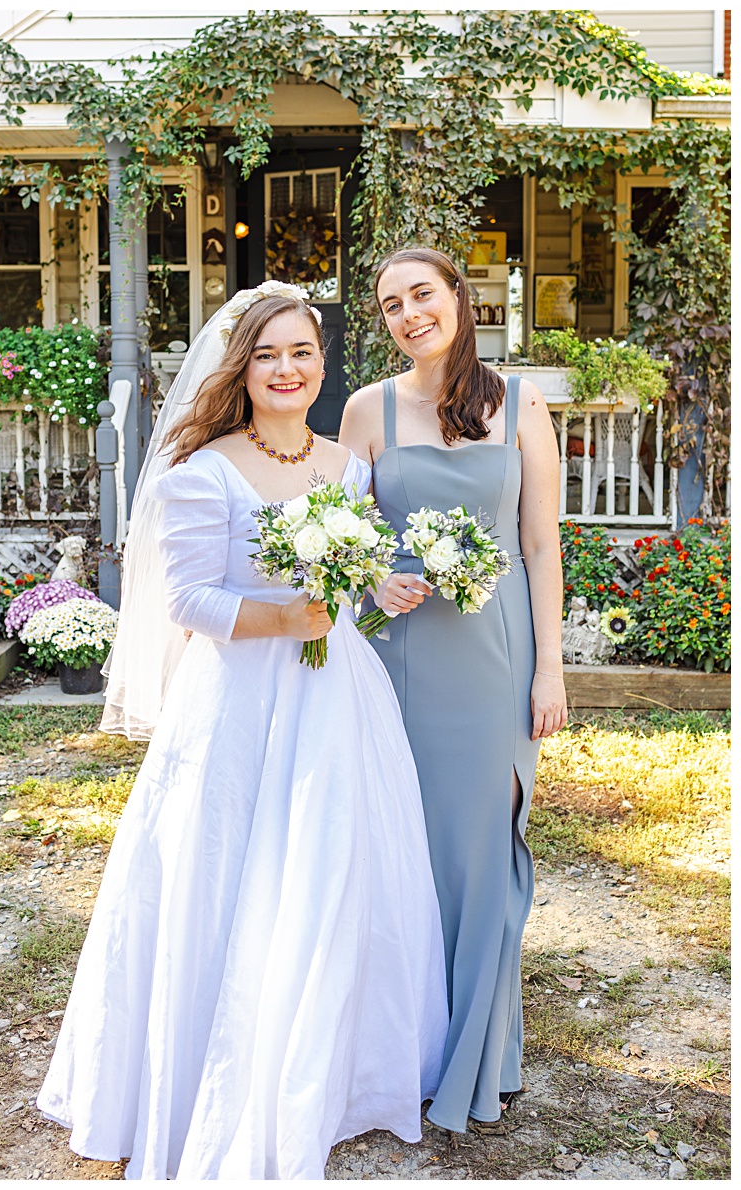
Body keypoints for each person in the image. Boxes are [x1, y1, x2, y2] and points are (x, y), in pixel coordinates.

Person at [41, 282, 447, 1179]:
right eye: (269, 355)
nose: (288, 369)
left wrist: (378, 589)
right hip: (235, 702)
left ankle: (335, 1067)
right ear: (242, 367)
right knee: (229, 865)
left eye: (302, 353)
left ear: (321, 362)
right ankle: (222, 1067)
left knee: (337, 864)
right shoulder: (203, 470)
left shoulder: (348, 465)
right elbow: (189, 600)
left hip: (338, 694)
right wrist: (288, 620)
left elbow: (358, 566)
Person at [339, 246, 567, 1133]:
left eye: (421, 295)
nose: (408, 314)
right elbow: (340, 536)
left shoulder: (521, 405)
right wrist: (370, 584)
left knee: (482, 857)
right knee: (408, 857)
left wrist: (550, 667)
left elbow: (542, 546)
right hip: (401, 662)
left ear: (459, 299)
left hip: (497, 660)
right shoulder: (365, 411)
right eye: (391, 303)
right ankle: (413, 1048)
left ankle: (486, 1050)